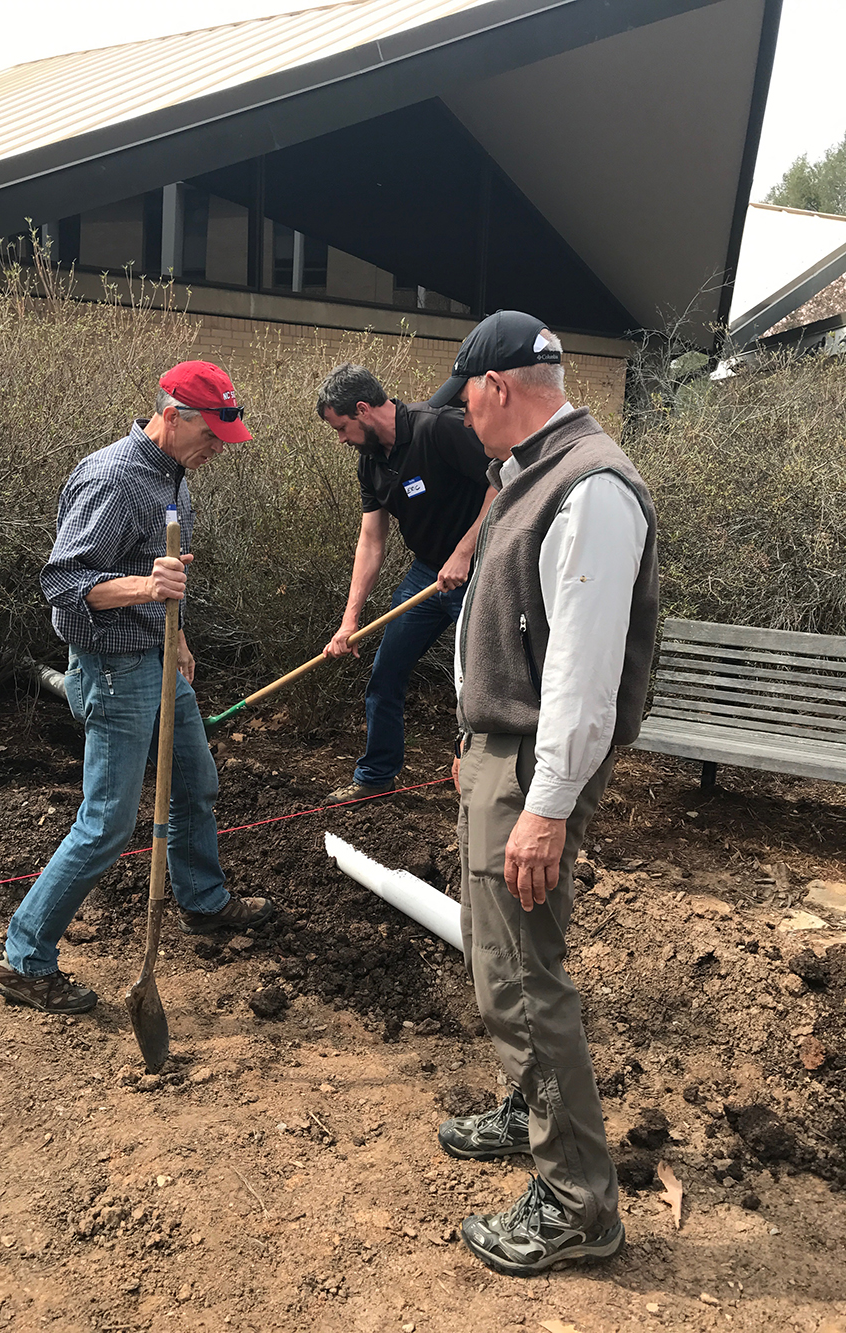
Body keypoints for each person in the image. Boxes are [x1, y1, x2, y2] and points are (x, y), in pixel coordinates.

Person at [432, 311, 659, 1276]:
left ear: (497, 386)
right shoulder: (531, 471)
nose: (463, 418)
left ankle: (578, 1202)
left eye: (466, 400)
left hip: (533, 770)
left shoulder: (591, 488)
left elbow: (581, 673)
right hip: (502, 754)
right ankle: (531, 1113)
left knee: (528, 975)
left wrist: (545, 804)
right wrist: (471, 738)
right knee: (497, 959)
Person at [0, 361, 274, 1015]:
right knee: (107, 824)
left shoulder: (172, 473)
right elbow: (63, 583)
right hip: (113, 670)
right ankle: (24, 958)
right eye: (210, 438)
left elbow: (162, 574)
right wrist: (148, 589)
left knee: (195, 780)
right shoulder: (113, 478)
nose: (214, 454)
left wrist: (176, 639)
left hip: (156, 656)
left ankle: (202, 901)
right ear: (172, 417)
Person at [317, 364, 497, 802]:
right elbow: (371, 541)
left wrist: (464, 553)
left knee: (478, 684)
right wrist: (350, 620)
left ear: (362, 409)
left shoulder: (439, 429)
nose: (341, 439)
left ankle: (480, 784)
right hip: (426, 575)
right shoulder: (371, 462)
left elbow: (502, 483)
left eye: (341, 427)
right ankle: (376, 778)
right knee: (386, 672)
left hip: (479, 572)